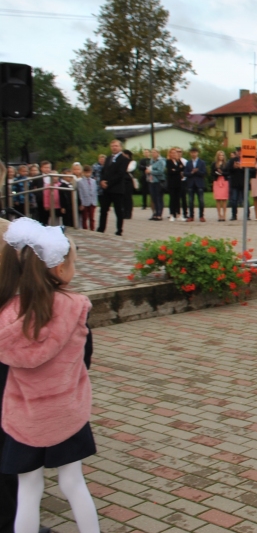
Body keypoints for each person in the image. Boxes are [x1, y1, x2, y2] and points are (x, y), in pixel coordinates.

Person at [0, 219, 101, 533]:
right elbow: (85, 359)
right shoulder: (75, 307)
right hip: (66, 412)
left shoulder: (7, 315)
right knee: (74, 483)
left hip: (24, 417)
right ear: (58, 269)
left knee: (29, 491)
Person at [97, 140, 130, 236]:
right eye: (112, 146)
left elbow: (120, 174)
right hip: (106, 189)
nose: (114, 147)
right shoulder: (108, 158)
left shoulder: (124, 159)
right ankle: (101, 228)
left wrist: (109, 183)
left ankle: (119, 230)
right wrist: (102, 181)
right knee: (103, 210)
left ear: (120, 147)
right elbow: (104, 171)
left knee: (118, 210)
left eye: (116, 146)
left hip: (117, 189)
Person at [184, 147, 207, 223]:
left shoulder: (202, 162)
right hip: (191, 184)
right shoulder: (188, 163)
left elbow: (204, 173)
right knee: (190, 201)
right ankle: (191, 216)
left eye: (195, 152)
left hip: (199, 184)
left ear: (197, 153)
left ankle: (201, 216)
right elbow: (185, 173)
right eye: (192, 152)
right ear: (190, 153)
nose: (193, 154)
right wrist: (191, 173)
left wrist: (197, 171)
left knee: (201, 200)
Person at [165, 147, 185, 223]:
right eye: (172, 153)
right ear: (170, 154)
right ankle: (171, 214)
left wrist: (176, 169)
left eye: (175, 153)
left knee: (178, 199)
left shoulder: (178, 160)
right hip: (171, 183)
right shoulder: (168, 161)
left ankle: (178, 214)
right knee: (172, 199)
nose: (174, 154)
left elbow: (183, 168)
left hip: (178, 182)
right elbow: (171, 171)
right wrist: (177, 169)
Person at [227, 148, 247, 220]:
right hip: (235, 183)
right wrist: (234, 167)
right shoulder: (232, 160)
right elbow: (227, 170)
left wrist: (241, 167)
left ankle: (247, 215)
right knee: (234, 199)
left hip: (243, 183)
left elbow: (250, 170)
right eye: (238, 152)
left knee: (245, 199)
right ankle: (234, 215)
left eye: (241, 152)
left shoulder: (246, 160)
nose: (239, 153)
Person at [147, 149, 166, 220]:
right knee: (154, 198)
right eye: (152, 153)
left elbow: (161, 171)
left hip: (158, 181)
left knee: (159, 198)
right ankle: (155, 213)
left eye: (155, 152)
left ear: (158, 153)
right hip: (151, 181)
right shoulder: (151, 161)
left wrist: (151, 171)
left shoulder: (161, 161)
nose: (153, 154)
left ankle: (159, 214)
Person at [77, 166, 98, 231]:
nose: (88, 174)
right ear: (83, 173)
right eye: (86, 172)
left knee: (92, 217)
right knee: (84, 217)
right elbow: (80, 193)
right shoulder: (80, 182)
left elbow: (95, 192)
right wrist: (82, 203)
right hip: (85, 202)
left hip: (92, 202)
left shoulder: (93, 181)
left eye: (89, 172)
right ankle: (85, 229)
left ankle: (92, 229)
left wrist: (95, 202)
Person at [211, 150, 229, 221]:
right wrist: (216, 173)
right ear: (217, 156)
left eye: (222, 155)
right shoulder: (214, 164)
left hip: (224, 181)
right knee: (218, 199)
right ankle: (219, 215)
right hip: (217, 181)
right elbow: (212, 173)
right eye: (220, 155)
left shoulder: (226, 164)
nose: (221, 157)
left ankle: (224, 215)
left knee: (224, 199)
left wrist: (222, 172)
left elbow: (228, 173)